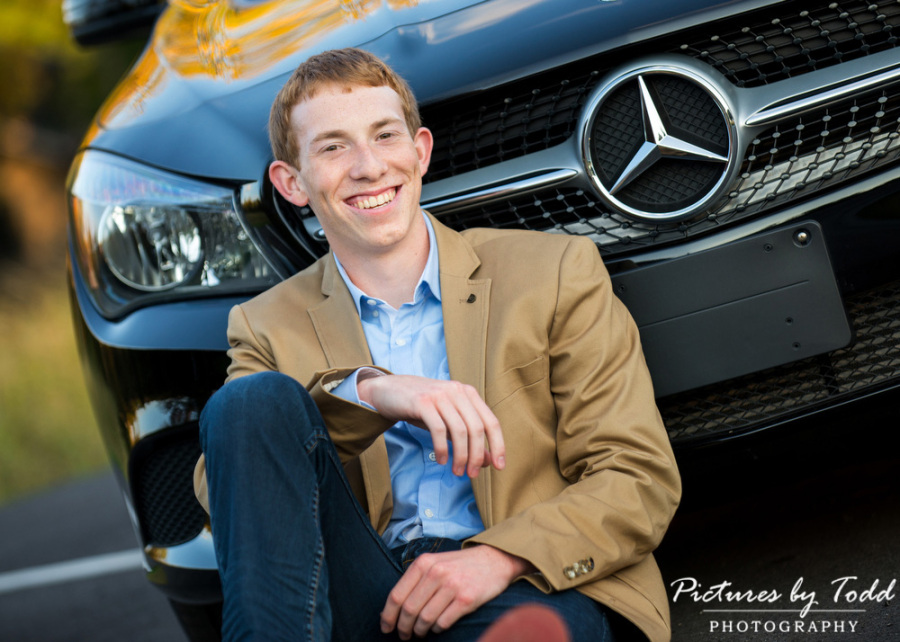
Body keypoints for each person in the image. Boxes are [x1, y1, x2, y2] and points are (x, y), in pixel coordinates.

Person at [193, 47, 681, 642]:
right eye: (333, 147)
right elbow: (221, 487)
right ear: (292, 183)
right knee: (249, 405)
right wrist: (370, 392)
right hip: (354, 591)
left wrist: (498, 559)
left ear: (419, 151)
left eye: (384, 136)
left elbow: (636, 476)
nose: (369, 166)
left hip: (516, 584)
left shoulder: (554, 271)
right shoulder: (265, 324)